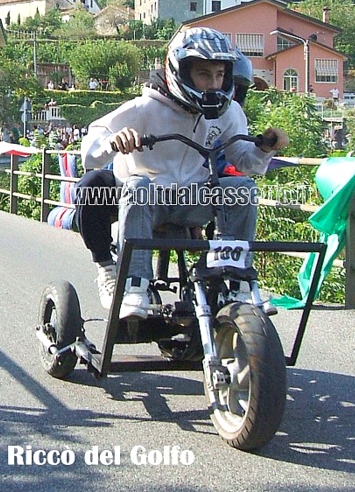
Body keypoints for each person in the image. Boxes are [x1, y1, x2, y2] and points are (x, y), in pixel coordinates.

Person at [80, 28, 287, 319]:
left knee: (242, 188)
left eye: (219, 75)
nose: (213, 85)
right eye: (204, 74)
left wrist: (266, 148)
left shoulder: (229, 113)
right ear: (180, 71)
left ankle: (236, 281)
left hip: (192, 198)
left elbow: (246, 163)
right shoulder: (144, 107)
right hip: (143, 200)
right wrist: (113, 142)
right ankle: (130, 282)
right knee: (111, 186)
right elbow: (89, 151)